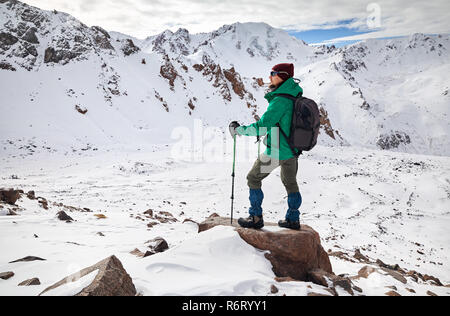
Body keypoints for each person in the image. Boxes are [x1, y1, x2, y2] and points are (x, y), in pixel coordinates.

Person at [229, 63, 303, 230]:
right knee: (291, 183)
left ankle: (255, 217)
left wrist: (239, 130)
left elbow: (263, 126)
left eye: (273, 73)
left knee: (253, 178)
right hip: (293, 150)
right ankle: (293, 219)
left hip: (276, 151)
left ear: (282, 76)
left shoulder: (281, 100)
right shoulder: (294, 95)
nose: (270, 76)